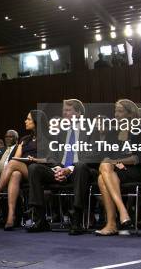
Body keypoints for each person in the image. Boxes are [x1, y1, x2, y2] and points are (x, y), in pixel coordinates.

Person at [27, 99, 94, 235]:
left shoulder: (90, 130)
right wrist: (57, 168)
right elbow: (52, 156)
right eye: (63, 110)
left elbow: (93, 155)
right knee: (34, 168)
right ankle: (40, 219)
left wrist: (70, 169)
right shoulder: (61, 132)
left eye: (68, 110)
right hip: (61, 170)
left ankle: (76, 220)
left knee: (80, 167)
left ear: (79, 112)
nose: (64, 113)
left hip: (79, 171)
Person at [0, 110, 48, 230]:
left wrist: (34, 159)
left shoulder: (48, 138)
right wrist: (25, 159)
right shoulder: (25, 139)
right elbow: (17, 157)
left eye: (28, 119)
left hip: (39, 170)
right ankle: (11, 217)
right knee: (15, 174)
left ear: (37, 122)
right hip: (23, 169)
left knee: (13, 164)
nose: (25, 121)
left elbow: (50, 159)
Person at [95, 99, 141, 236]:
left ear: (130, 114)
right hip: (115, 170)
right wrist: (112, 161)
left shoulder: (138, 131)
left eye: (120, 111)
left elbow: (137, 158)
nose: (116, 114)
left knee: (103, 173)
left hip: (135, 170)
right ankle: (120, 214)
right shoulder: (112, 132)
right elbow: (106, 156)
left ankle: (114, 221)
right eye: (115, 111)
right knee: (102, 175)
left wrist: (115, 161)